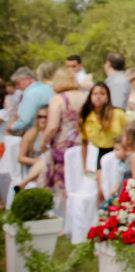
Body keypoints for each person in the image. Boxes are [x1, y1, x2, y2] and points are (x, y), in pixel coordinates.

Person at [40, 68, 85, 206]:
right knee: (79, 183)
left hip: (63, 147)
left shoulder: (58, 99)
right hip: (83, 145)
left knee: (63, 185)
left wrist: (43, 142)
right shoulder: (85, 96)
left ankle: (65, 218)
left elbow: (52, 126)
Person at [79, 81, 126, 197]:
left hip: (119, 153)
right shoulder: (87, 118)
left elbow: (128, 133)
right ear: (90, 97)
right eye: (95, 94)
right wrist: (84, 166)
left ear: (107, 97)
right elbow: (84, 143)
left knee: (118, 188)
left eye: (102, 93)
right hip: (101, 152)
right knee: (101, 190)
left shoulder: (118, 113)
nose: (98, 96)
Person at [7, 67, 53, 135]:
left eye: (18, 83)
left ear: (28, 79)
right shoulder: (46, 87)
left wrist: (11, 127)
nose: (17, 87)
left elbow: (25, 120)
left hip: (37, 133)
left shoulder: (31, 93)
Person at [15, 105, 49, 190]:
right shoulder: (31, 133)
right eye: (40, 117)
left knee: (45, 161)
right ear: (36, 118)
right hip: (32, 168)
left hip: (48, 168)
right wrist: (36, 161)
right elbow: (20, 158)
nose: (43, 119)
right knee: (43, 161)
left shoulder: (53, 134)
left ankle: (23, 183)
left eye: (46, 117)